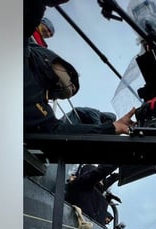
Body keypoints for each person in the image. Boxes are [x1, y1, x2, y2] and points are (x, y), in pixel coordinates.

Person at [24, 0, 136, 135]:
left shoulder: (41, 109)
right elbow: (29, 15)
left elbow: (58, 131)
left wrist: (112, 128)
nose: (65, 85)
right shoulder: (22, 53)